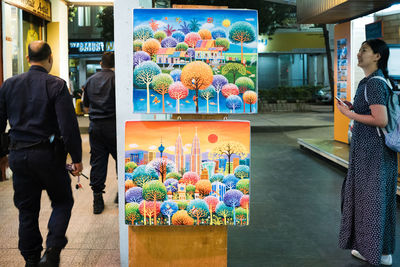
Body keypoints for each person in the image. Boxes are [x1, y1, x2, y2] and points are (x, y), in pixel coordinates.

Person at [0, 41, 83, 267]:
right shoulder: (56, 85)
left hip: (19, 156)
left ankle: (31, 258)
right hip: (48, 157)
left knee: (27, 209)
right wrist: (76, 158)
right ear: (51, 58)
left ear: (28, 59)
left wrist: (2, 155)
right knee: (63, 201)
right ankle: (53, 251)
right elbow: (68, 126)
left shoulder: (8, 85)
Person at [337, 39, 397, 266]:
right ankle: (381, 251)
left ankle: (374, 252)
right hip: (376, 154)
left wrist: (349, 115)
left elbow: (380, 119)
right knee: (378, 203)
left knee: (370, 203)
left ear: (377, 56)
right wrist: (355, 108)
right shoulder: (376, 81)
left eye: (364, 50)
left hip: (373, 155)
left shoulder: (373, 84)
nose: (359, 54)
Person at [82, 52, 117, 214]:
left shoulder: (90, 81)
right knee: (122, 160)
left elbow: (85, 107)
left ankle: (97, 199)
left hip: (95, 127)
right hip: (114, 126)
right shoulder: (117, 79)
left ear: (101, 63)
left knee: (97, 162)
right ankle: (121, 194)